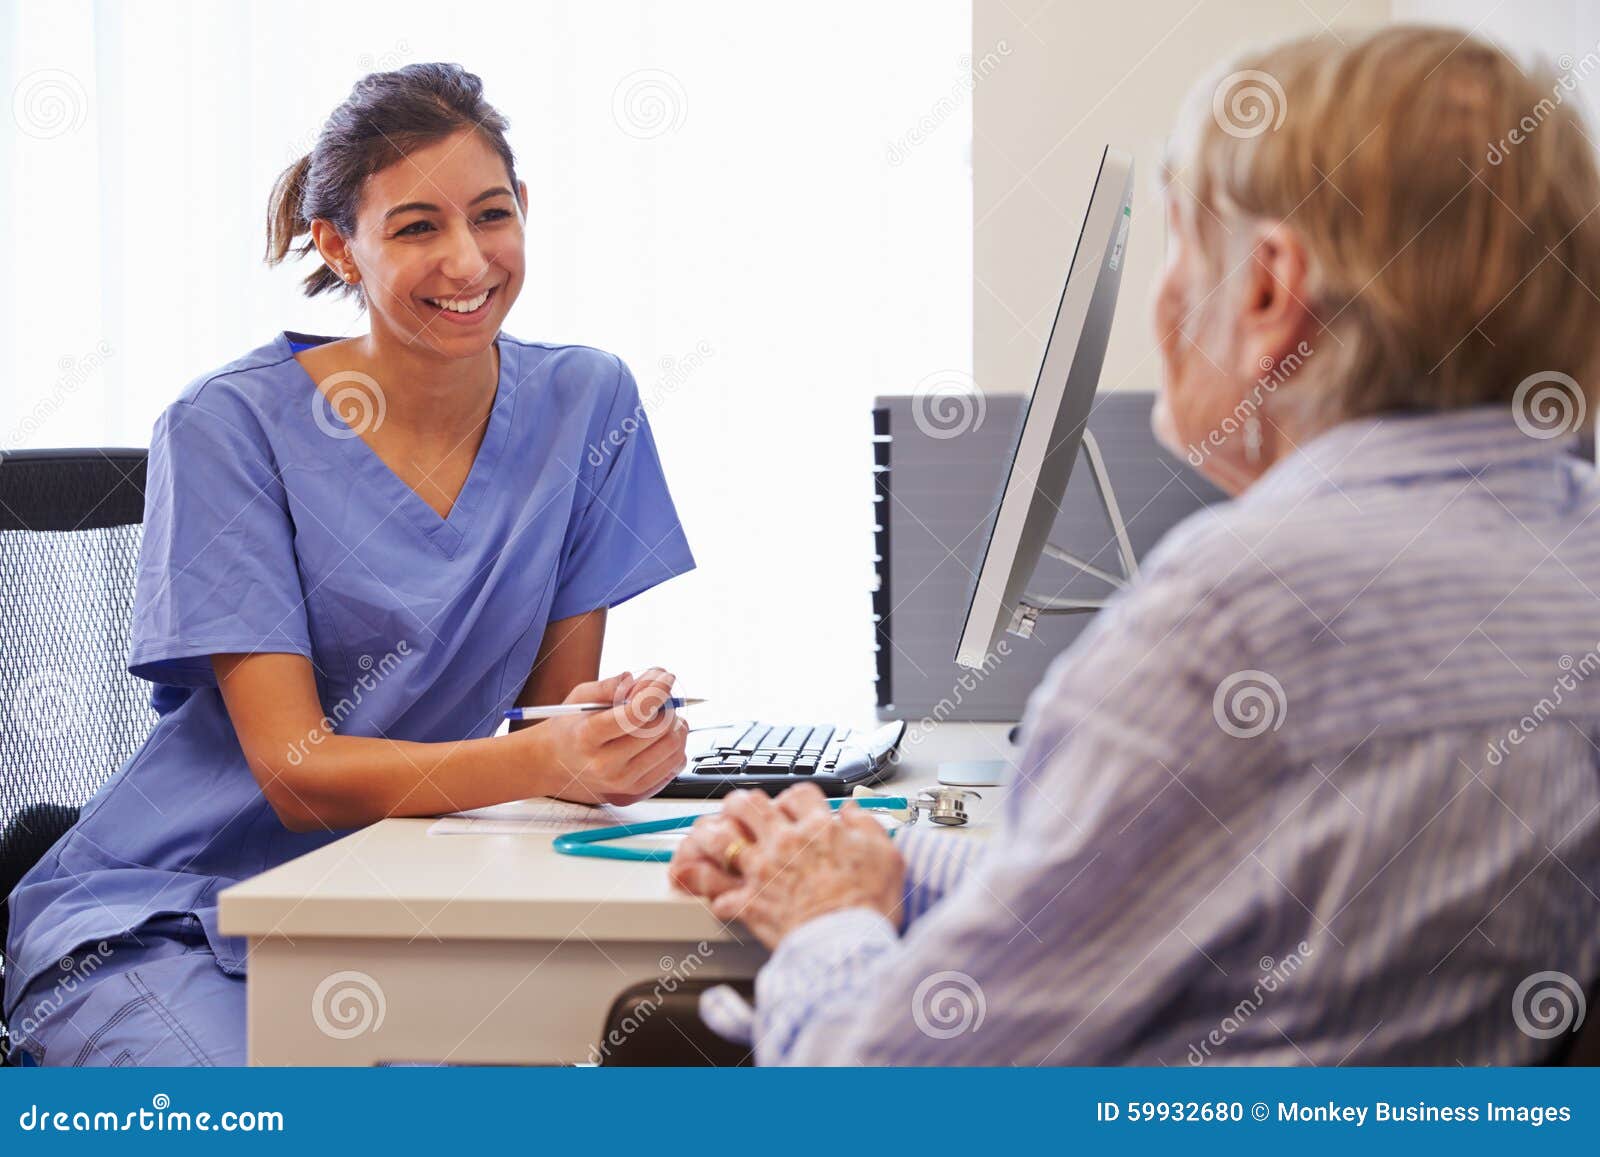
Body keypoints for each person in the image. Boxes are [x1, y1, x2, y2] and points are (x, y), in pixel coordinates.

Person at [670, 25, 1600, 1065]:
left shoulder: (1230, 621)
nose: (1161, 297)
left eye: (1179, 247)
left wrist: (828, 923)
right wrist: (876, 858)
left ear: (1264, 289)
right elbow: (1149, 892)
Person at [4, 63, 694, 1066]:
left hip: (402, 906)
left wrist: (605, 735)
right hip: (172, 911)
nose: (467, 261)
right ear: (338, 244)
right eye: (416, 227)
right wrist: (548, 756)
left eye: (490, 215)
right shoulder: (230, 426)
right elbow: (295, 775)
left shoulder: (585, 401)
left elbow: (546, 736)